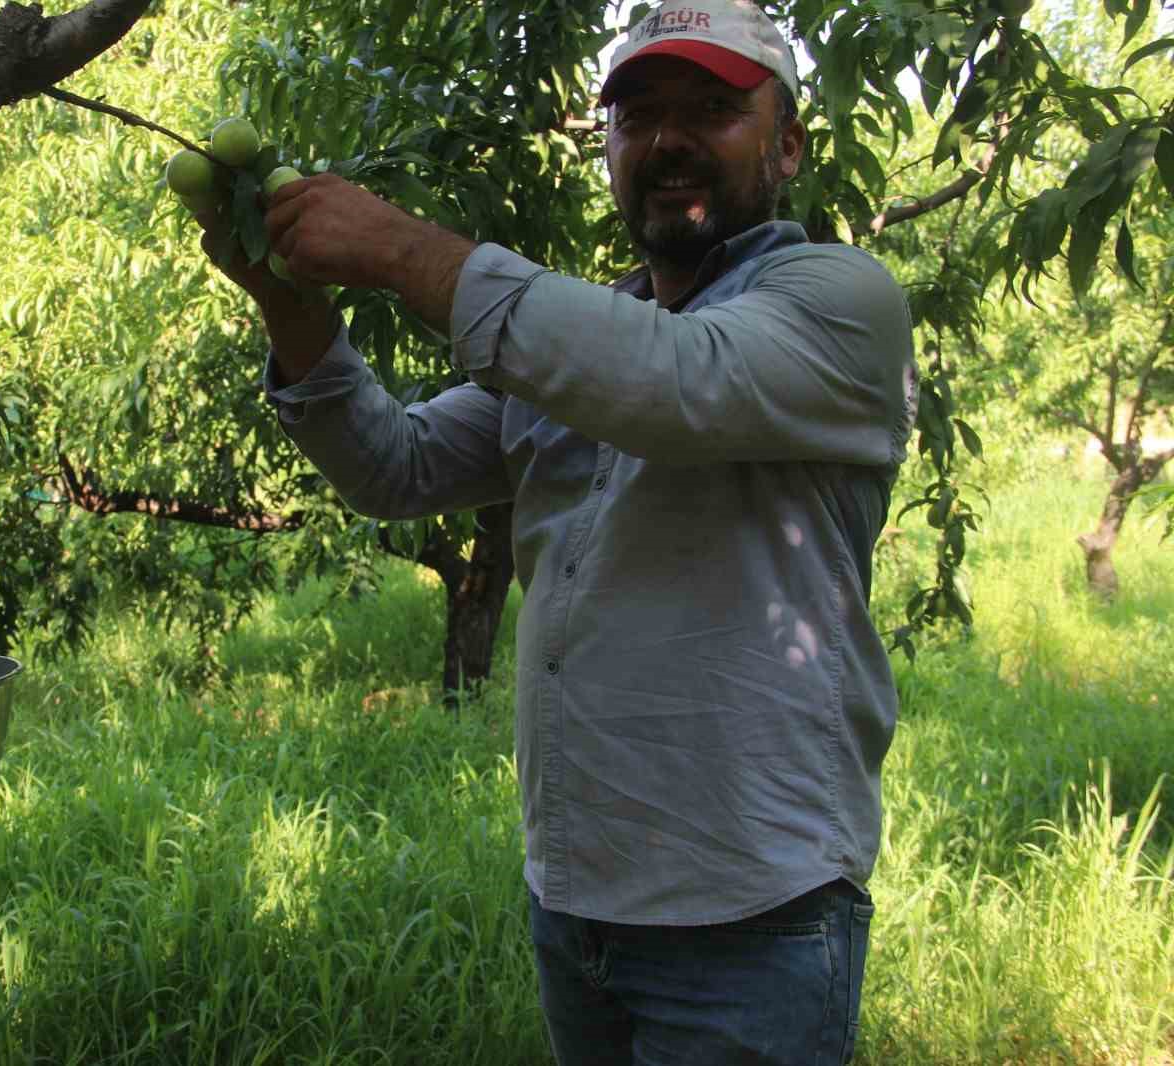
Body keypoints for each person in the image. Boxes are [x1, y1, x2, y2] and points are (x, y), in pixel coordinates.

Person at [196, 0, 916, 1061]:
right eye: (637, 117)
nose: (666, 140)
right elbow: (394, 465)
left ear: (789, 143)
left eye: (710, 110)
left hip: (750, 914)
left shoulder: (838, 300)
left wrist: (400, 249)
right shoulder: (581, 338)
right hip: (576, 903)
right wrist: (288, 304)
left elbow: (675, 386)